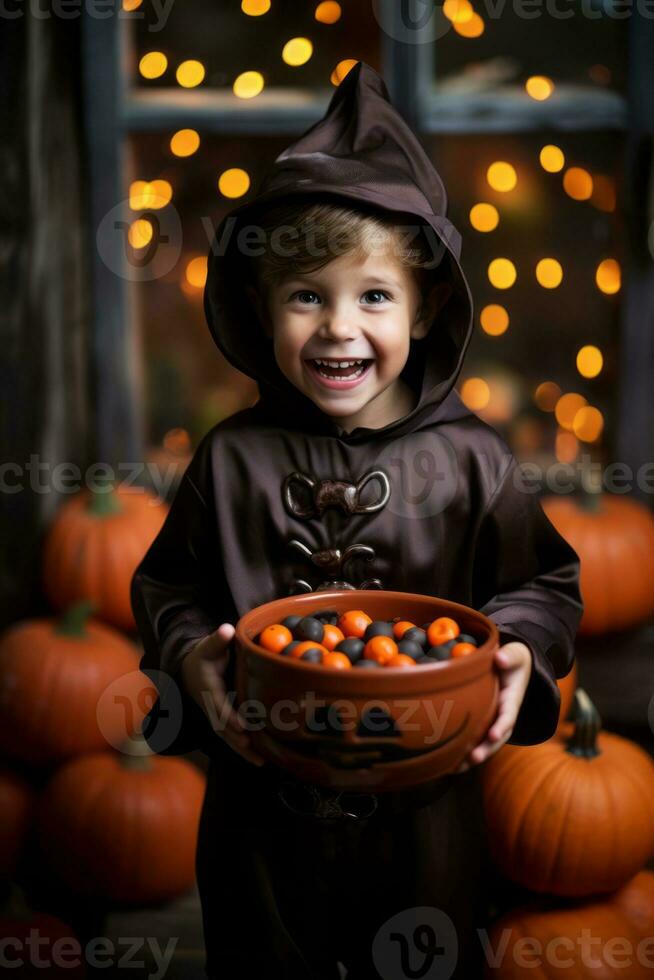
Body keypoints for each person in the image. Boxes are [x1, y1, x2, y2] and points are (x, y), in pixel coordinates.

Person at [130, 62, 583, 980]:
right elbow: (169, 585)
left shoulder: (473, 460)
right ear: (264, 311)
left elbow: (543, 582)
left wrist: (522, 650)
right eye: (308, 296)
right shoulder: (230, 459)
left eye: (373, 296)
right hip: (262, 813)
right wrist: (190, 657)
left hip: (428, 813)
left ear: (423, 313)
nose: (340, 328)